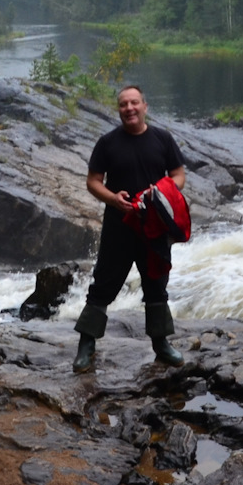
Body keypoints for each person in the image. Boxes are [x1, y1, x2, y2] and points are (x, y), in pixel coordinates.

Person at [72, 83, 186, 373]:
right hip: (118, 227)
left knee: (156, 286)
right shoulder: (108, 143)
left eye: (134, 103)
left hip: (154, 226)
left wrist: (161, 192)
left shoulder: (163, 139)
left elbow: (178, 174)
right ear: (119, 110)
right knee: (103, 286)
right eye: (124, 104)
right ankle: (86, 346)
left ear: (145, 106)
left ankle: (161, 345)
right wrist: (113, 198)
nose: (129, 109)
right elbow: (93, 181)